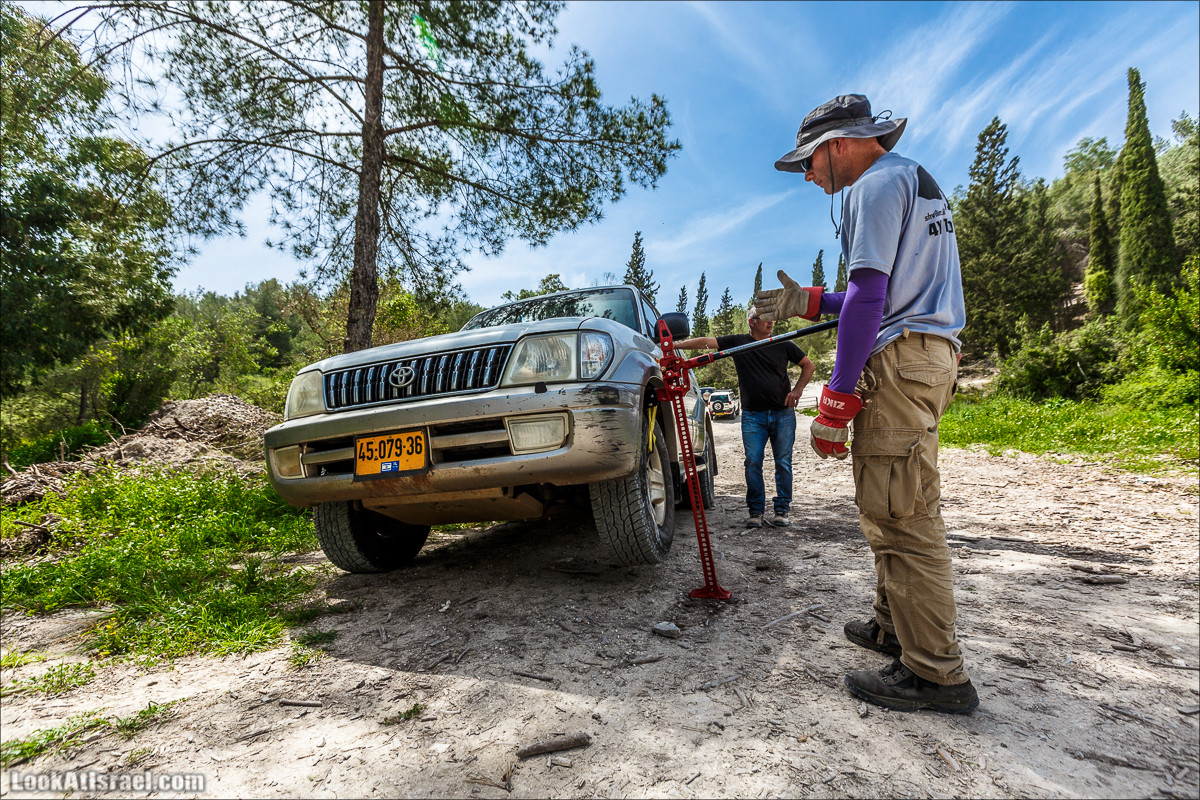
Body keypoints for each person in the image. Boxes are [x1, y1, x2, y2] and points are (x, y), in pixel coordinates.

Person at [755, 94, 978, 714]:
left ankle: (935, 673)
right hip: (927, 354)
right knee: (890, 498)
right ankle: (891, 626)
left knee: (903, 513)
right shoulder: (908, 178)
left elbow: (870, 299)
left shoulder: (873, 186)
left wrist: (837, 395)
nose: (807, 175)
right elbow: (877, 291)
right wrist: (809, 302)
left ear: (839, 145)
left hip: (901, 358)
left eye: (808, 161)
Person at [675, 309, 815, 529]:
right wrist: (676, 346)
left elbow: (809, 365)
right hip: (752, 416)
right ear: (752, 321)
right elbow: (706, 342)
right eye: (765, 319)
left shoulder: (783, 343)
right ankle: (756, 511)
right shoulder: (738, 342)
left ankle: (782, 509)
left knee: (783, 462)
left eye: (772, 319)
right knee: (753, 462)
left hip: (783, 413)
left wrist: (797, 390)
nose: (771, 323)